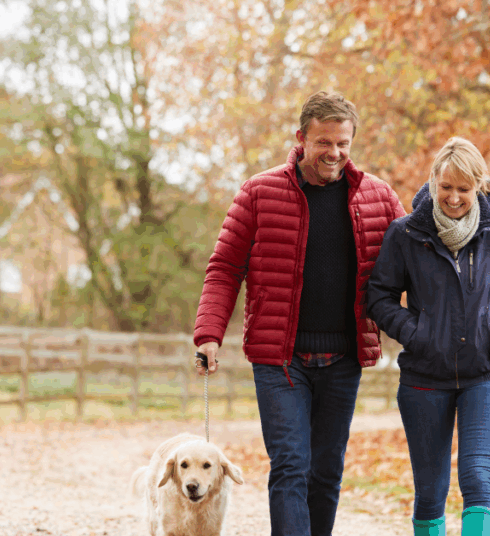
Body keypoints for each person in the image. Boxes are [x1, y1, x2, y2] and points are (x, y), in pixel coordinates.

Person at [192, 90, 406, 536]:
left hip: (344, 358)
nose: (335, 153)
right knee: (291, 464)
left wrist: (485, 219)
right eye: (324, 142)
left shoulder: (379, 198)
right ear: (302, 138)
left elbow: (418, 254)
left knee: (326, 472)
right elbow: (225, 268)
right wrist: (209, 333)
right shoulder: (258, 192)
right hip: (279, 358)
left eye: (343, 143)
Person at [366, 137, 490, 536]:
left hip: (485, 373)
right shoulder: (406, 233)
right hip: (424, 378)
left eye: (464, 189)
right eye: (447, 187)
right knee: (430, 492)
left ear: (479, 187)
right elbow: (380, 296)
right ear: (434, 182)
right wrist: (416, 333)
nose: (454, 198)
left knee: (478, 480)